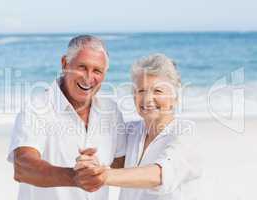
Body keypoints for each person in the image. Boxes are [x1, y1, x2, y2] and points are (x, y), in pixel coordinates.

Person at [7, 35, 126, 200]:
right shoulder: (37, 108)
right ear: (64, 64)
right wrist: (76, 177)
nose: (88, 77)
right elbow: (23, 168)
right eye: (82, 67)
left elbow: (123, 165)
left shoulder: (111, 110)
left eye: (97, 70)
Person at [75, 54, 203, 200]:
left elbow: (159, 174)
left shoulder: (186, 133)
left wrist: (104, 175)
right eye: (141, 91)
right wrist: (91, 163)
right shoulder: (131, 131)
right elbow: (115, 161)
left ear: (174, 97)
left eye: (158, 91)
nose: (147, 99)